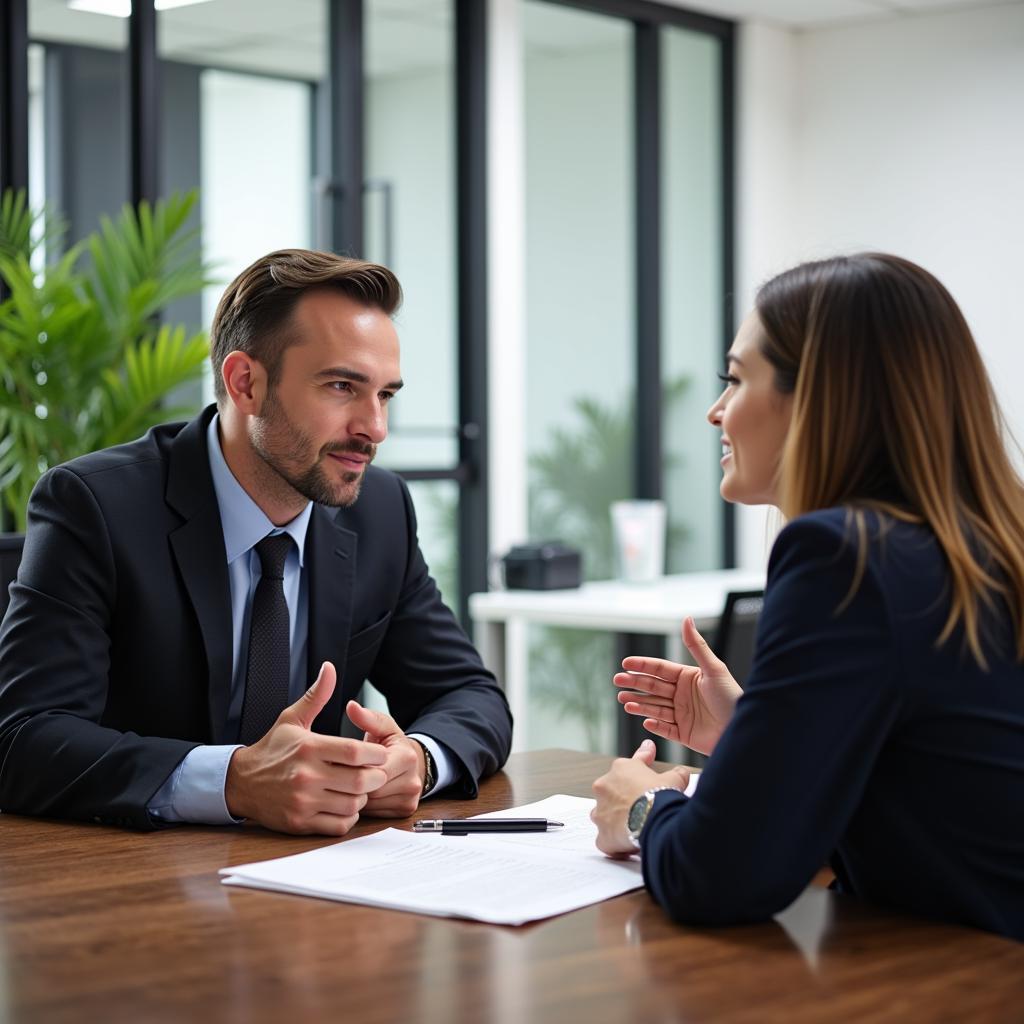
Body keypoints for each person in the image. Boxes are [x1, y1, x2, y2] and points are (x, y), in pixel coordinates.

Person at [0, 248, 512, 835]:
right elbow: (23, 738)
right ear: (245, 383)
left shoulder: (380, 512)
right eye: (343, 386)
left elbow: (470, 695)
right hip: (136, 882)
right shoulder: (95, 505)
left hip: (321, 880)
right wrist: (234, 780)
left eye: (385, 394)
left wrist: (417, 761)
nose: (375, 428)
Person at [591, 253, 1024, 941]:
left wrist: (642, 809)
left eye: (734, 380)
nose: (715, 411)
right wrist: (754, 738)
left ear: (818, 396)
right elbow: (941, 780)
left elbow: (721, 876)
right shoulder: (986, 544)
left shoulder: (843, 555)